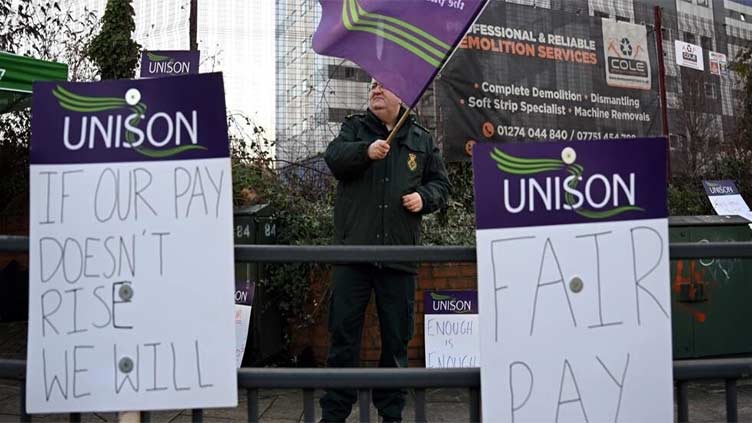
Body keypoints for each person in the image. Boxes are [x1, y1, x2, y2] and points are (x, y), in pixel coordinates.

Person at [320, 79, 450, 423]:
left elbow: (441, 185)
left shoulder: (420, 139)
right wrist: (365, 151)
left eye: (383, 86)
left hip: (398, 258)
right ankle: (334, 413)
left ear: (401, 96)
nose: (375, 90)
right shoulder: (354, 128)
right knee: (343, 337)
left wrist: (425, 198)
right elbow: (333, 158)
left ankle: (391, 414)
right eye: (372, 86)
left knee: (396, 342)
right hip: (353, 255)